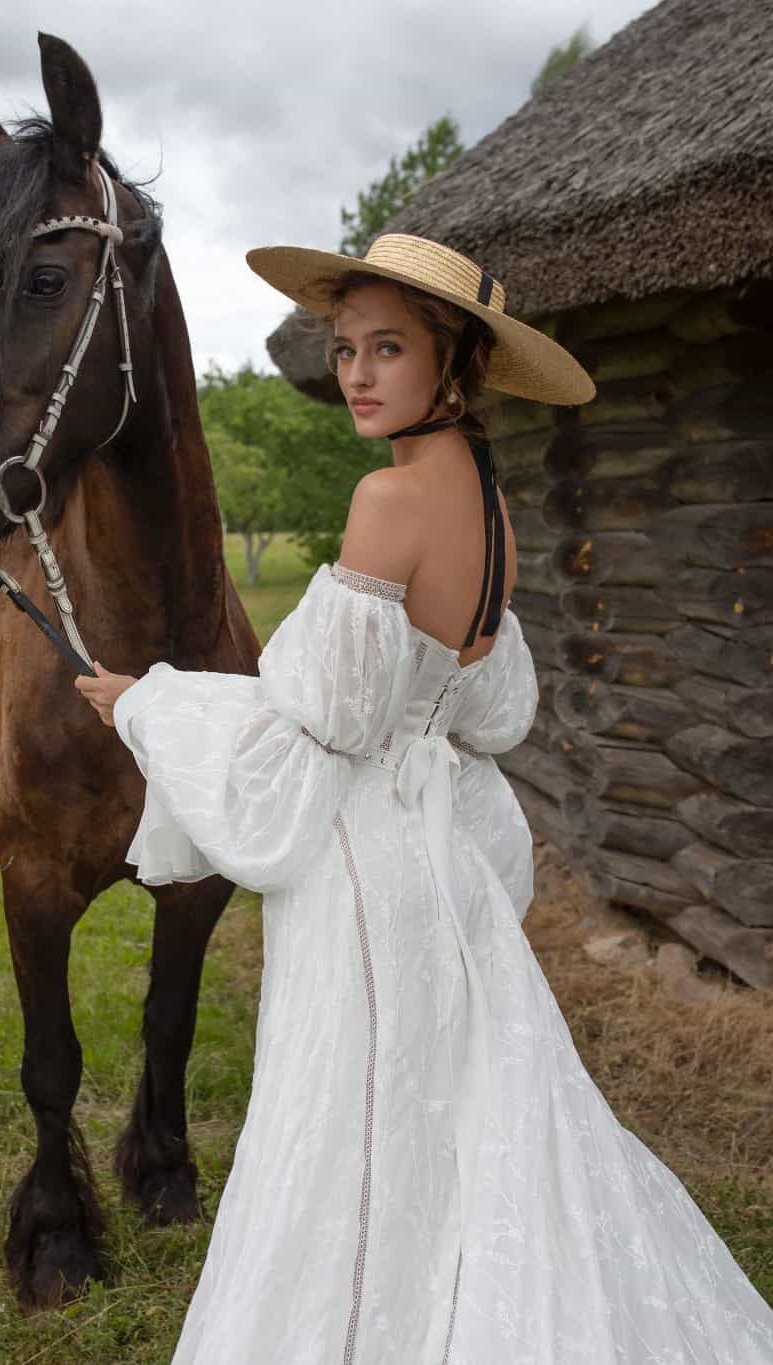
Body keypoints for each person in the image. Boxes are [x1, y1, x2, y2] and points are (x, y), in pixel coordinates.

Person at [75, 235, 773, 1364]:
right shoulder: (490, 514)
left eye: (386, 348)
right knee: (451, 1103)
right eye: (345, 347)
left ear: (454, 364)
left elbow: (336, 723)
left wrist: (148, 704)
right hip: (438, 860)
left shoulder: (388, 501)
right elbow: (482, 713)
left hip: (366, 870)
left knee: (349, 1117)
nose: (354, 371)